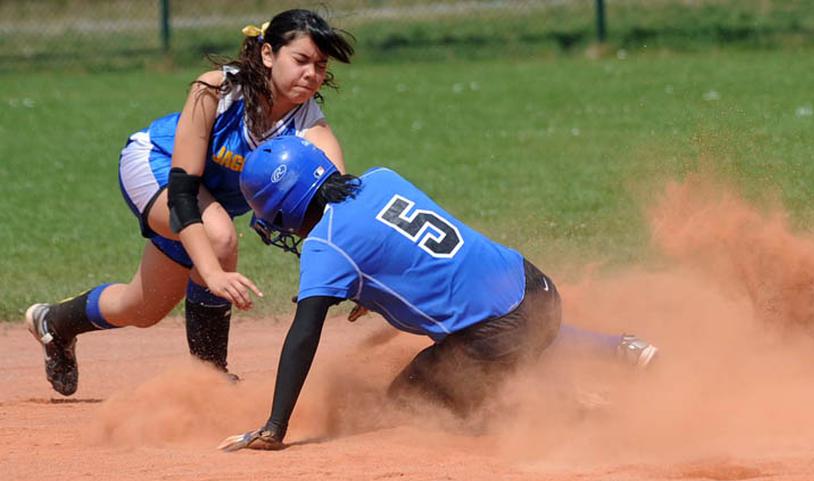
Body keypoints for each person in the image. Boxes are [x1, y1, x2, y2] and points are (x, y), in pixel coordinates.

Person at [218, 136, 659, 451]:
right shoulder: (381, 178)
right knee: (522, 329)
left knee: (407, 407)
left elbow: (303, 334)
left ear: (283, 209)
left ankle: (577, 420)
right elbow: (400, 248)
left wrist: (276, 425)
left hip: (499, 334)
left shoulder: (324, 246)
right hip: (537, 286)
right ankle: (624, 350)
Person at [24, 9, 355, 397]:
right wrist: (212, 273)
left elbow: (341, 213)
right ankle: (210, 379)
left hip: (204, 202)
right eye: (300, 60)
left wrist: (359, 278)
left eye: (320, 65)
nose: (311, 74)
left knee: (142, 309)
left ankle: (54, 323)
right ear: (268, 54)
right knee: (219, 239)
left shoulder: (310, 127)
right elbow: (183, 191)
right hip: (156, 165)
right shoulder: (215, 90)